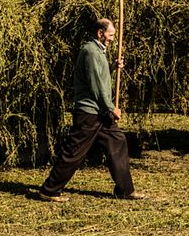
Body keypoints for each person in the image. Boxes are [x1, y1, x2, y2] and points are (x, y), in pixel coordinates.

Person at [39, 18, 145, 202]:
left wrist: (112, 67)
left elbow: (100, 76)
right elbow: (97, 86)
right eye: (110, 35)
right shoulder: (90, 51)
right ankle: (49, 190)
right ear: (100, 33)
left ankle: (125, 190)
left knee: (117, 141)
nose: (112, 39)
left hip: (99, 113)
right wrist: (111, 108)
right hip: (89, 113)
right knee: (74, 151)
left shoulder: (98, 51)